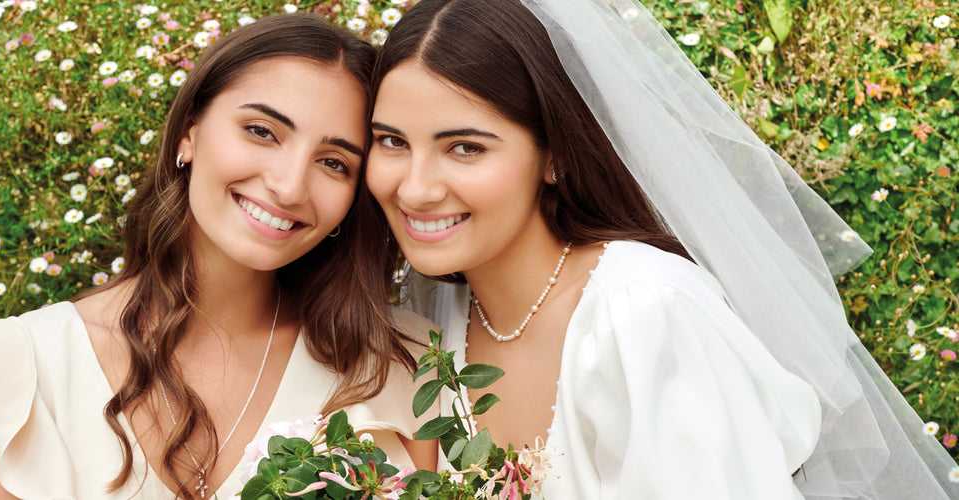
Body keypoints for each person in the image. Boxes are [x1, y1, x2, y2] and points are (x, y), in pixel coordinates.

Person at [364, 0, 959, 498]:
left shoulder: (645, 314)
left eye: (465, 148)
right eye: (391, 141)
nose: (414, 188)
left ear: (557, 154)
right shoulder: (436, 321)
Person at [0, 14, 436, 500]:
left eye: (334, 163)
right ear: (190, 131)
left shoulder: (406, 366)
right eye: (262, 131)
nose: (289, 186)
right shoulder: (20, 370)